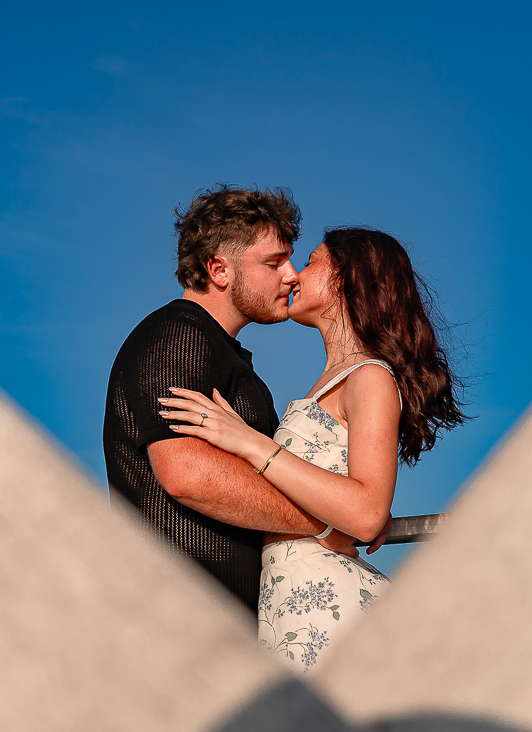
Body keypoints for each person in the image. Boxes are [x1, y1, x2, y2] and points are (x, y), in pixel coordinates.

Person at [162, 227, 467, 670]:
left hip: (325, 608)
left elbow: (367, 513)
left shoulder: (370, 377)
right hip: (288, 605)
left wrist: (250, 442)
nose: (294, 275)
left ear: (346, 280)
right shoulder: (332, 382)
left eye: (310, 262)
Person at [104, 185, 371, 616]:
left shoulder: (228, 357)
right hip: (175, 614)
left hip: (230, 622)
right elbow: (186, 473)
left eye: (291, 260)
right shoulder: (178, 334)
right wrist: (323, 523)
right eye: (274, 262)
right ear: (219, 270)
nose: (292, 275)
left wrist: (342, 505)